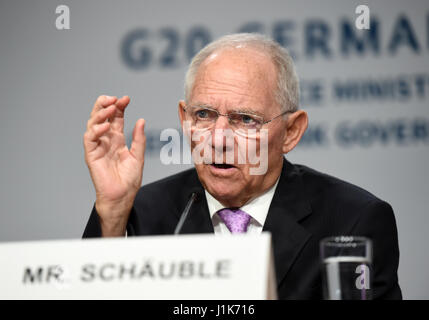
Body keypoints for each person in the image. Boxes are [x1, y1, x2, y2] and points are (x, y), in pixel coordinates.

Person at [82, 33, 402, 299]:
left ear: (291, 132)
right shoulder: (141, 215)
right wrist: (112, 215)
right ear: (184, 119)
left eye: (246, 119)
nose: (219, 139)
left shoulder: (353, 221)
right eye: (204, 115)